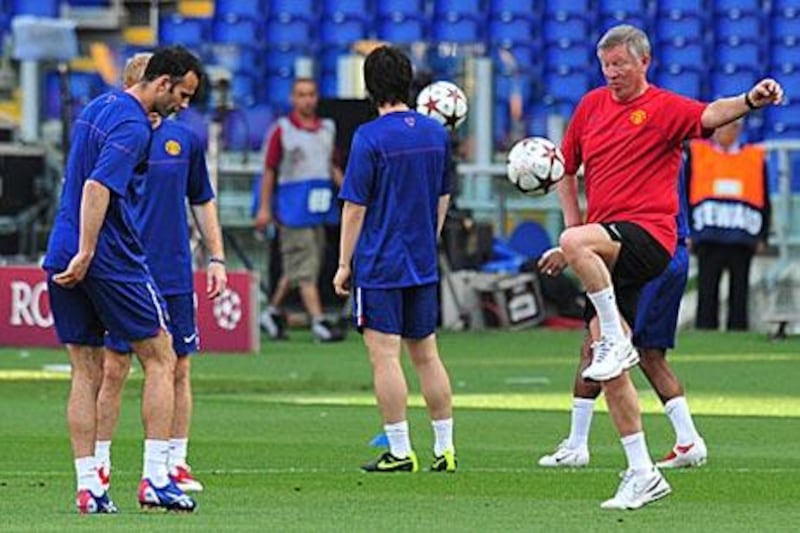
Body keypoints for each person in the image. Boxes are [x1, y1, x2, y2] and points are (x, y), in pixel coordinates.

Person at [538, 24, 782, 510]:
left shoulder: (665, 107)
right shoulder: (589, 106)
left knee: (610, 344)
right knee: (610, 373)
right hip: (606, 246)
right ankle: (642, 472)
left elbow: (712, 113)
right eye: (606, 65)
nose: (611, 74)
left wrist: (751, 100)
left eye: (620, 65)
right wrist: (574, 228)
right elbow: (565, 167)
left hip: (651, 237)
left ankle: (613, 340)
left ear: (643, 63)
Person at [43, 45, 204, 514]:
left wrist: (74, 250)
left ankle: (89, 486)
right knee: (161, 356)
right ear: (163, 82)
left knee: (85, 370)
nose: (184, 106)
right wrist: (89, 251)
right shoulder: (134, 125)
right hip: (106, 255)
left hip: (60, 245)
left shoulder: (97, 106)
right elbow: (97, 186)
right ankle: (156, 476)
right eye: (184, 94)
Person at [93, 53, 227, 498]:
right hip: (127, 269)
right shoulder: (120, 136)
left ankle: (174, 461)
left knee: (178, 367)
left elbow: (203, 200)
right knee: (114, 368)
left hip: (172, 271)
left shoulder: (183, 142)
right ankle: (100, 463)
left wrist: (217, 257)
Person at [333, 45, 456, 473]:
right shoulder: (436, 133)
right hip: (421, 261)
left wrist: (344, 264)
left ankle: (400, 450)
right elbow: (443, 196)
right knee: (427, 354)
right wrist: (430, 237)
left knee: (385, 357)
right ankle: (445, 448)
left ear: (370, 87)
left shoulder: (368, 137)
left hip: (381, 262)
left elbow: (355, 207)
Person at [538, 167, 707, 470]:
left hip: (649, 254)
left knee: (619, 347)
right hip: (655, 250)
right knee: (620, 348)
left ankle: (678, 442)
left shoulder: (647, 141)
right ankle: (580, 442)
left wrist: (576, 245)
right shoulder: (654, 140)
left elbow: (624, 206)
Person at [254, 77, 345, 342]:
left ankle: (271, 311)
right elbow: (269, 171)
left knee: (301, 264)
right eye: (301, 94)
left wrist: (348, 193)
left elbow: (331, 165)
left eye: (311, 94)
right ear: (293, 98)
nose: (307, 100)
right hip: (292, 209)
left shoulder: (327, 130)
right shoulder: (282, 130)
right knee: (305, 266)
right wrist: (264, 208)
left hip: (317, 207)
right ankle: (319, 322)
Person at [688, 119, 770, 331]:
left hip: (742, 235)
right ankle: (705, 330)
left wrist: (763, 235)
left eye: (728, 127)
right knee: (706, 288)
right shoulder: (697, 155)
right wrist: (686, 231)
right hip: (707, 235)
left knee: (740, 289)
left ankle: (738, 329)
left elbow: (764, 198)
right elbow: (685, 195)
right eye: (720, 127)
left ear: (738, 130)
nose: (723, 132)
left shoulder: (754, 157)